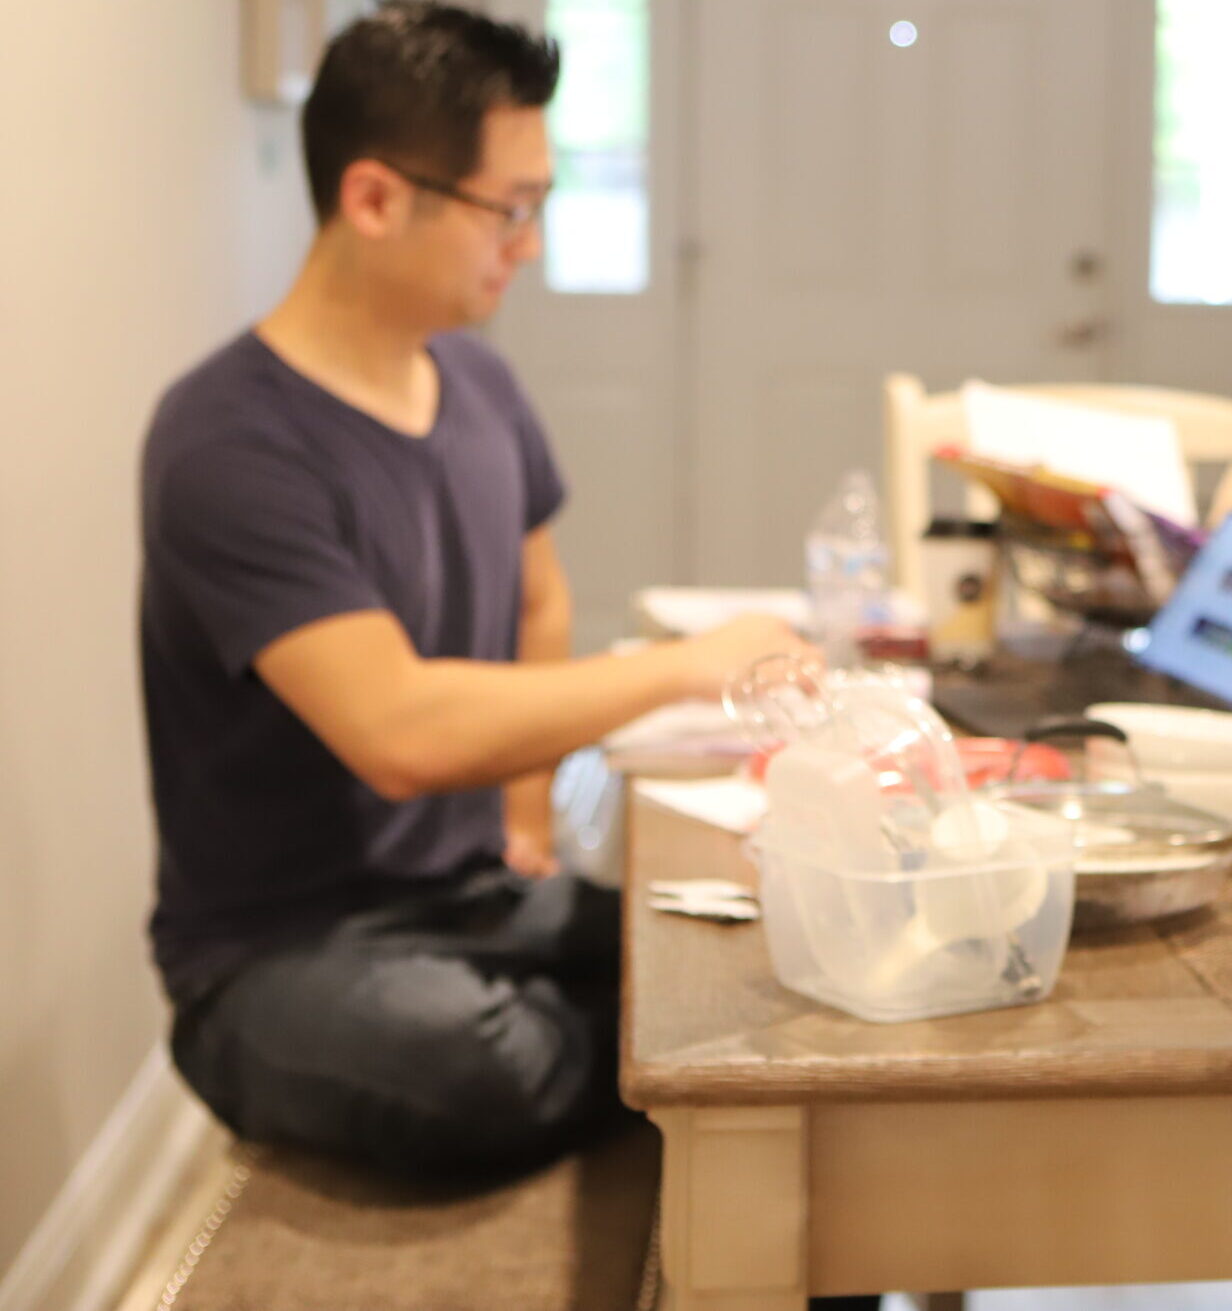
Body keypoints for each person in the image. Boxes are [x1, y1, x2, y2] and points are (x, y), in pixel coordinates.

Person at [142, 2, 811, 1180]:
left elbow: (536, 599)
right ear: (374, 199)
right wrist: (682, 664)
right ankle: (678, 1072)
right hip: (281, 953)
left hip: (471, 900)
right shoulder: (228, 442)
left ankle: (684, 1064)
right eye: (509, 210)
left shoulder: (478, 384)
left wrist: (524, 813)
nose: (530, 244)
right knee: (467, 1063)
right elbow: (396, 732)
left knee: (760, 954)